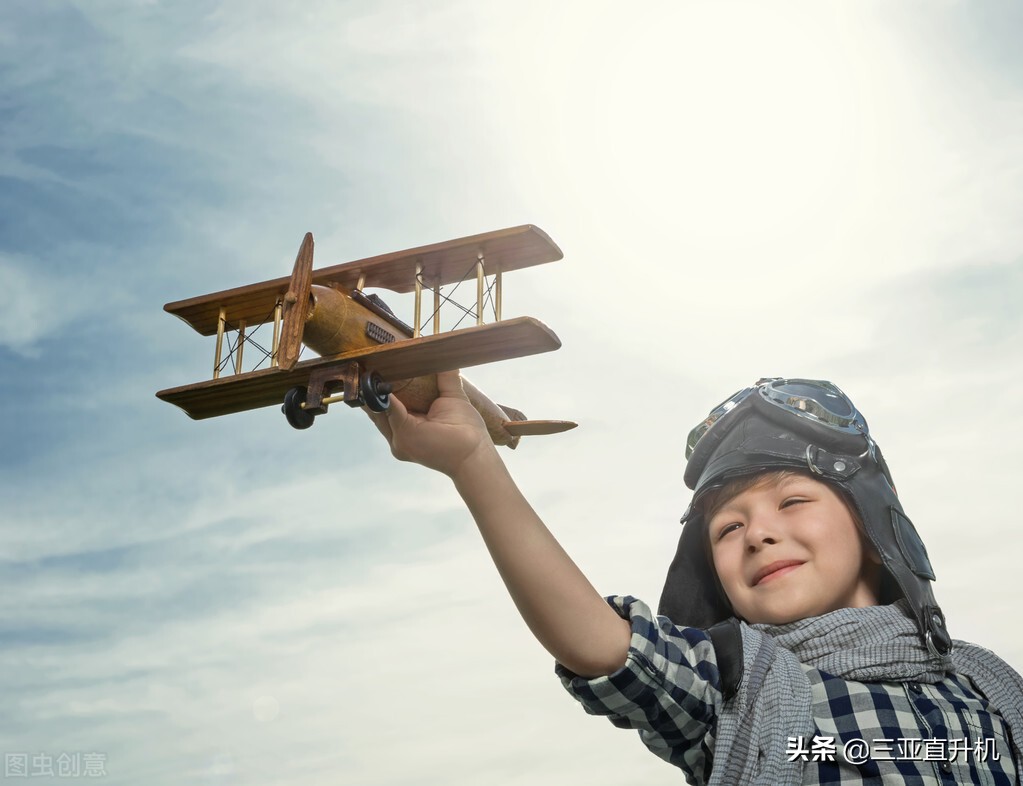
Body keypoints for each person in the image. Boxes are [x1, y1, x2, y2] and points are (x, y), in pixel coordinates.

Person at [367, 373, 1023, 785]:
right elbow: (601, 645)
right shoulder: (737, 686)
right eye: (727, 529)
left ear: (877, 538)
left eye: (792, 502)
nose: (758, 532)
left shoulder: (989, 688)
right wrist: (473, 461)